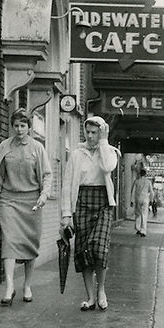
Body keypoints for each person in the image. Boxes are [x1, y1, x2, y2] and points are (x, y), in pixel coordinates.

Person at [0, 108, 52, 307]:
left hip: (32, 201)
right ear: (12, 126)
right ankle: (9, 287)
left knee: (29, 244)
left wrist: (43, 196)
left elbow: (47, 175)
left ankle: (27, 285)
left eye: (23, 126)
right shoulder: (4, 147)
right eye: (16, 125)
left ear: (29, 127)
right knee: (9, 242)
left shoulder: (37, 149)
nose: (19, 129)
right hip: (9, 199)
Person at [60, 116, 120, 311]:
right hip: (82, 201)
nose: (90, 135)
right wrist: (66, 214)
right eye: (88, 132)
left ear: (101, 133)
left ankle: (101, 289)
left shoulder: (109, 152)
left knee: (99, 249)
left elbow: (107, 167)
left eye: (95, 132)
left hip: (103, 202)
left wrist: (104, 141)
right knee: (84, 250)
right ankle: (90, 297)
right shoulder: (77, 154)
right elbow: (68, 184)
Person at [131, 166, 154, 236]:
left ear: (140, 174)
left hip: (138, 199)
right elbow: (152, 192)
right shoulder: (148, 182)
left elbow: (133, 191)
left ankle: (138, 228)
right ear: (145, 174)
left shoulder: (136, 181)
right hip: (145, 199)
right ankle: (143, 231)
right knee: (144, 214)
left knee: (138, 214)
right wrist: (151, 200)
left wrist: (132, 200)